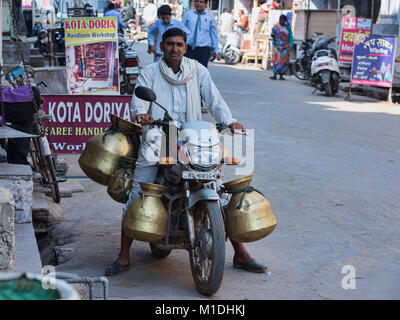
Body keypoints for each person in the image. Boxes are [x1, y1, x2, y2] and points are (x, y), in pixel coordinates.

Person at [105, 27, 267, 276]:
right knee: (138, 193)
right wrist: (142, 115)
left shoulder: (197, 71)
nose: (174, 48)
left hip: (195, 138)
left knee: (216, 189)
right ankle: (123, 256)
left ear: (185, 48)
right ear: (162, 46)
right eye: (170, 44)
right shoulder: (149, 72)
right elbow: (138, 102)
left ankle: (241, 253)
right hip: (161, 138)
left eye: (179, 44)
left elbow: (215, 99)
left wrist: (230, 121)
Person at [182, 0, 220, 68]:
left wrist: (216, 50)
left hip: (204, 50)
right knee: (187, 71)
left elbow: (213, 34)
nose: (198, 4)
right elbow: (181, 30)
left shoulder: (210, 16)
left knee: (202, 72)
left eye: (201, 2)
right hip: (189, 48)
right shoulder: (188, 14)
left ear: (205, 4)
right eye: (197, 1)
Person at [270, 14, 293, 80]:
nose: (282, 21)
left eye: (283, 20)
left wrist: (291, 44)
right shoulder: (275, 27)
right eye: (281, 20)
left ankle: (281, 75)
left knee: (284, 61)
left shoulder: (288, 27)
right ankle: (275, 75)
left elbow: (290, 36)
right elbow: (272, 35)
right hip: (277, 47)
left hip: (285, 47)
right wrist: (273, 35)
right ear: (279, 19)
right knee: (276, 61)